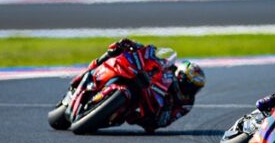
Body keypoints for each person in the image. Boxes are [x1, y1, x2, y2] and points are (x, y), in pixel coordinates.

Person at [71, 38, 205, 132]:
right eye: (189, 84)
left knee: (148, 122)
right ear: (181, 75)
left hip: (149, 112)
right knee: (116, 51)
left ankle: (106, 112)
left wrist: (167, 108)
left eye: (195, 88)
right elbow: (154, 56)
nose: (190, 90)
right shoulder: (170, 70)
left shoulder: (186, 103)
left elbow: (165, 122)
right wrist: (137, 47)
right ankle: (91, 72)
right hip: (143, 82)